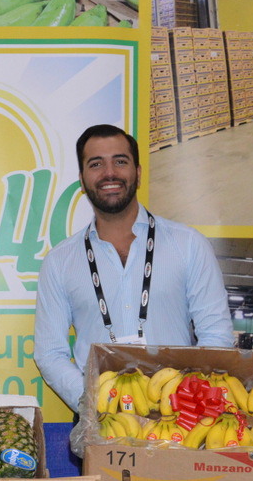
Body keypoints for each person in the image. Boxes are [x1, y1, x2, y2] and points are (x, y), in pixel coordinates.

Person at [33, 125, 234, 415]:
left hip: (180, 417)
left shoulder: (189, 245)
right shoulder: (59, 261)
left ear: (138, 173)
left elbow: (216, 335)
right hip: (98, 420)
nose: (109, 173)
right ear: (82, 179)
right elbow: (50, 353)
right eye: (96, 164)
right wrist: (95, 405)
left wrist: (186, 399)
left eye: (120, 161)